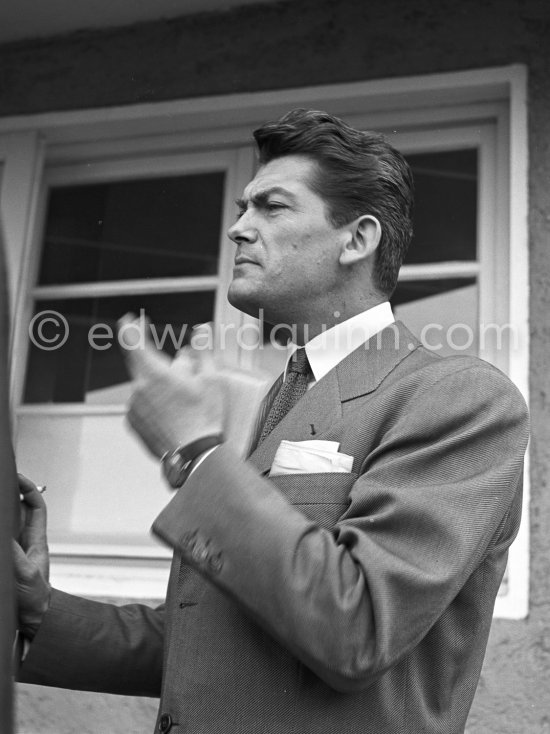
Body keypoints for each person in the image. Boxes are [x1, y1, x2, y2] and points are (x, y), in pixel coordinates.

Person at [14, 109, 529, 734]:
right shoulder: (274, 403)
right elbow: (217, 642)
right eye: (241, 209)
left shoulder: (461, 398)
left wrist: (197, 453)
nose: (238, 229)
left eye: (272, 207)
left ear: (357, 239)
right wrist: (39, 610)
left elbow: (357, 625)